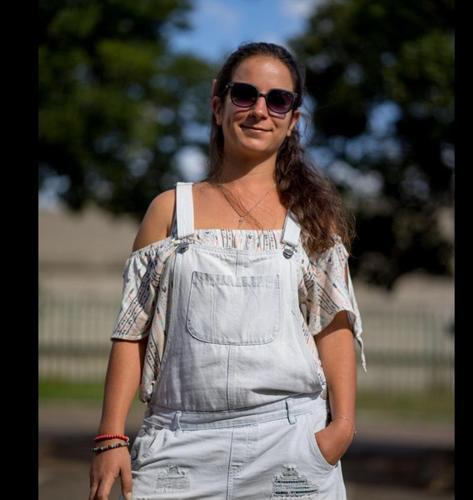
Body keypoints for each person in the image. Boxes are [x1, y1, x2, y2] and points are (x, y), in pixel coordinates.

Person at [89, 41, 367, 500]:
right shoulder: (169, 211)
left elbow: (333, 328)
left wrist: (341, 430)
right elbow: (130, 334)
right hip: (177, 449)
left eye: (278, 100)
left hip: (290, 447)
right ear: (218, 105)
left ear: (293, 120)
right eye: (245, 94)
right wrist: (111, 437)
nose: (259, 110)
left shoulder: (312, 220)